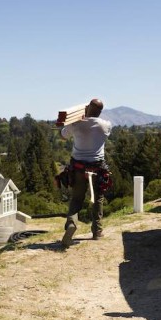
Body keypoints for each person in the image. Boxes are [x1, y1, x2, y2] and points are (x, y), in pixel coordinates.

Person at [59, 98, 112, 248]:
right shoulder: (105, 125)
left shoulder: (75, 124)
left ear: (87, 108)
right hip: (97, 168)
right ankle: (97, 231)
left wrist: (76, 119)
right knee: (98, 198)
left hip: (78, 168)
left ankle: (71, 223)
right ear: (100, 112)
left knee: (76, 199)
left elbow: (62, 135)